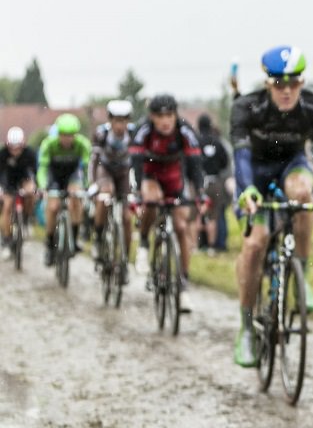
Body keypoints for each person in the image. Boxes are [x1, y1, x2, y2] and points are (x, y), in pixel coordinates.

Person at [230, 45, 313, 367]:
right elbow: (241, 156)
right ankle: (247, 328)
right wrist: (248, 188)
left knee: (303, 195)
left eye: (293, 83)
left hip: (291, 167)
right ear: (267, 83)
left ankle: (299, 276)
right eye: (279, 84)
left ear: (302, 83)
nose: (287, 90)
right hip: (255, 175)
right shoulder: (246, 108)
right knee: (255, 245)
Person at [130, 94, 207, 313]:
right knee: (152, 201)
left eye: (170, 115)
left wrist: (200, 192)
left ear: (175, 115)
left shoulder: (185, 131)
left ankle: (183, 285)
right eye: (160, 116)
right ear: (152, 117)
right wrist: (137, 191)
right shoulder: (144, 131)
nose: (166, 121)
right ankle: (144, 244)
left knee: (181, 227)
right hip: (151, 176)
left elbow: (195, 164)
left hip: (174, 177)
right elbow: (135, 163)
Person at [37, 113, 91, 266]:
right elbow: (42, 168)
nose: (67, 139)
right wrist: (43, 187)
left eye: (70, 135)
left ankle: (74, 238)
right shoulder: (49, 144)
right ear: (58, 133)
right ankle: (49, 243)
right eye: (63, 135)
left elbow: (87, 168)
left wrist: (87, 186)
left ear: (75, 134)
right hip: (54, 176)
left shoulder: (83, 144)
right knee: (53, 207)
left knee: (76, 200)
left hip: (72, 176)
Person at [88, 100, 135, 269]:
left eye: (123, 121)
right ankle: (98, 238)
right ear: (110, 120)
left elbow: (138, 161)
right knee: (105, 196)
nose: (120, 125)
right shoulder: (101, 134)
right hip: (105, 171)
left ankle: (125, 259)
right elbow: (93, 161)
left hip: (123, 173)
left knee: (127, 218)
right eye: (116, 120)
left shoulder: (134, 134)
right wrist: (93, 184)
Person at [195, 113, 232, 255]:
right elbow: (224, 162)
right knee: (214, 216)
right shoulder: (217, 142)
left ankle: (198, 246)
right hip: (215, 182)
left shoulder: (196, 141)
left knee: (198, 215)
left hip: (200, 182)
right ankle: (212, 246)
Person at [1, 127, 38, 258]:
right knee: (7, 206)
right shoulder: (3, 154)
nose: (15, 151)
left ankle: (27, 219)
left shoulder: (30, 154)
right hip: (8, 182)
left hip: (24, 179)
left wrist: (32, 187)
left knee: (31, 194)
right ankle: (6, 238)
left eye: (18, 148)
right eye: (12, 147)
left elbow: (34, 174)